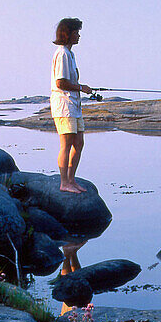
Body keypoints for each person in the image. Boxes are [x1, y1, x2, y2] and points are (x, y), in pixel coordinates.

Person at [51, 17, 93, 194]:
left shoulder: (70, 54)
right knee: (66, 145)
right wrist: (81, 88)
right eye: (77, 32)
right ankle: (64, 182)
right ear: (68, 34)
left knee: (79, 143)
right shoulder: (62, 53)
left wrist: (80, 88)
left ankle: (72, 180)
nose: (79, 36)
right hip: (64, 106)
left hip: (74, 106)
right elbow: (60, 83)